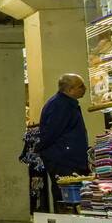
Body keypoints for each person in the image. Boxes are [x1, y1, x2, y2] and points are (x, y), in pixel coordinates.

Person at [38, 74, 91, 208]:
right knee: (65, 195)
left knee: (68, 194)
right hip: (64, 159)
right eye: (81, 86)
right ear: (69, 90)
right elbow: (51, 132)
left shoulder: (64, 103)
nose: (85, 88)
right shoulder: (61, 105)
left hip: (66, 156)